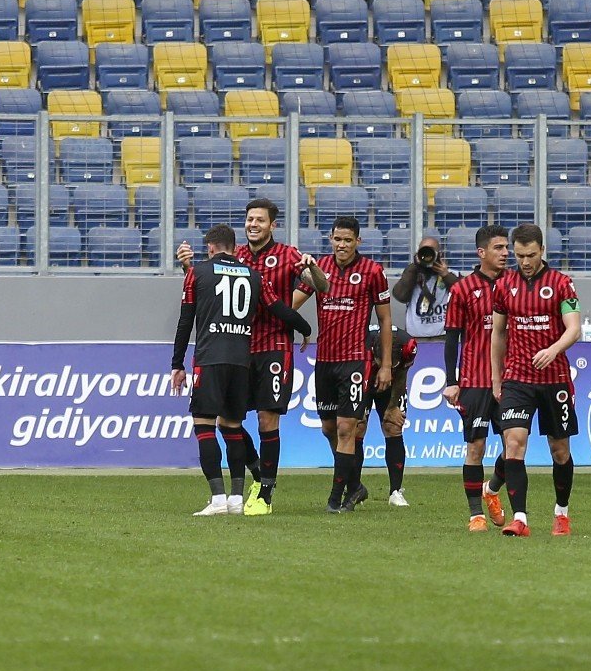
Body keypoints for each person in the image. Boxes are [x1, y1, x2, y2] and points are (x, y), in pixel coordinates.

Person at [177, 199, 329, 515]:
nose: (253, 224)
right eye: (249, 219)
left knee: (266, 418)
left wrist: (311, 270)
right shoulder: (237, 255)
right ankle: (258, 472)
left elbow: (320, 286)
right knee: (227, 422)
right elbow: (207, 285)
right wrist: (187, 268)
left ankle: (265, 493)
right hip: (241, 349)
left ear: (272, 225)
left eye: (260, 220)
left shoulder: (289, 255)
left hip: (274, 347)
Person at [293, 216, 393, 513]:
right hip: (324, 361)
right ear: (331, 239)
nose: (342, 245)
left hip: (354, 361)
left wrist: (385, 365)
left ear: (357, 242)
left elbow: (385, 320)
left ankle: (336, 500)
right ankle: (355, 486)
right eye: (338, 239)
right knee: (328, 429)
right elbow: (292, 302)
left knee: (347, 428)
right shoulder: (318, 269)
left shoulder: (373, 272)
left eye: (348, 240)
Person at [491, 223, 582, 537]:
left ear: (542, 250)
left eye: (530, 255)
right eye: (519, 255)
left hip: (555, 378)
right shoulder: (504, 285)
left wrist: (553, 349)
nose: (525, 261)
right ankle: (520, 519)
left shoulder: (562, 284)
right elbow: (498, 333)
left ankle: (562, 513)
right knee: (514, 444)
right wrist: (496, 378)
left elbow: (574, 328)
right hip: (518, 377)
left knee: (560, 451)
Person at [442, 225, 512, 533]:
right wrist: (450, 379)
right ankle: (475, 515)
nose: (505, 253)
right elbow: (452, 337)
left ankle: (492, 489)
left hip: (512, 380)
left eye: (506, 247)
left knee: (514, 445)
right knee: (476, 448)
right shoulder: (462, 289)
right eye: (498, 248)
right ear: (481, 252)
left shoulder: (516, 285)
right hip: (475, 380)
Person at [347, 324, 418, 511]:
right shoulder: (361, 342)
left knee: (393, 426)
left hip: (393, 387)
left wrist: (393, 406)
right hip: (363, 380)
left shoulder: (407, 345)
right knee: (357, 427)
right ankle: (354, 488)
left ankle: (396, 492)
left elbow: (402, 374)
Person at [391, 236, 459, 338]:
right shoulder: (412, 274)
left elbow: (463, 295)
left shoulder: (452, 274)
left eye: (431, 252)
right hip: (415, 336)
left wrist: (446, 275)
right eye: (424, 252)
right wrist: (414, 268)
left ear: (439, 254)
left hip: (443, 336)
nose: (427, 256)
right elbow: (400, 296)